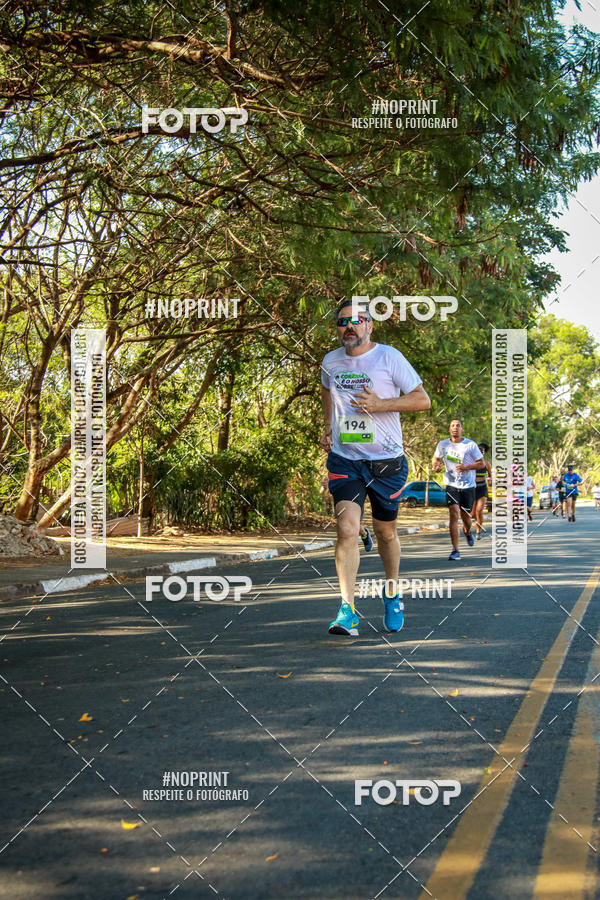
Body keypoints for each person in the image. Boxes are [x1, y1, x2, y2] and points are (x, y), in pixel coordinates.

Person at [321, 301, 430, 635]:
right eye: (343, 322)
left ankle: (392, 593)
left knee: (386, 533)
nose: (349, 326)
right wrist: (328, 425)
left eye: (357, 320)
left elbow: (422, 399)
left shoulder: (389, 357)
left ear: (370, 325)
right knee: (347, 529)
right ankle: (347, 610)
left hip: (386, 463)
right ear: (337, 327)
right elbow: (327, 391)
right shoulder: (330, 362)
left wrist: (381, 405)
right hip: (346, 460)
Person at [432, 420, 484, 561]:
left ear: (462, 429)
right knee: (454, 514)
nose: (455, 428)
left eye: (458, 425)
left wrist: (466, 467)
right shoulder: (443, 444)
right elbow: (436, 459)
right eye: (452, 426)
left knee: (466, 517)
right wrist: (435, 466)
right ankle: (455, 550)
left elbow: (482, 463)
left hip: (467, 486)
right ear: (449, 429)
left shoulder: (470, 445)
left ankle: (467, 531)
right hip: (451, 484)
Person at [471, 442, 491, 540]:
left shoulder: (486, 463)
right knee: (472, 514)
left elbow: (490, 475)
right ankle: (478, 523)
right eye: (478, 451)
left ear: (484, 453)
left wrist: (490, 479)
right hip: (473, 488)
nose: (480, 452)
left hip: (482, 487)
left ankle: (478, 531)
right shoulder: (471, 462)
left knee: (479, 510)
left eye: (482, 451)